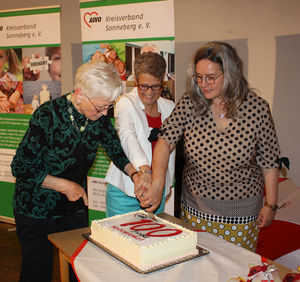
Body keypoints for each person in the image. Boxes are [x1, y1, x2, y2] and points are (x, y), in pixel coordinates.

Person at [138, 41, 281, 252]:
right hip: (196, 211)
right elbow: (165, 140)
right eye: (199, 77)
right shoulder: (190, 102)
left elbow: (269, 162)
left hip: (241, 215)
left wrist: (271, 204)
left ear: (230, 74)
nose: (203, 84)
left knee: (236, 271)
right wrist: (158, 182)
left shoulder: (256, 108)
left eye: (211, 78)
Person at [11, 61, 146, 282]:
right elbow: (20, 166)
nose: (104, 114)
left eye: (108, 107)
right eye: (101, 107)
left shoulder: (97, 116)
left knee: (79, 267)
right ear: (80, 94)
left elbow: (114, 147)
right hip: (36, 206)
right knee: (37, 271)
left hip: (73, 206)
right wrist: (63, 185)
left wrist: (135, 174)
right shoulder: (48, 116)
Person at [105, 52, 175, 217]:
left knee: (152, 240)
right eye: (144, 86)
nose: (149, 92)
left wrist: (166, 183)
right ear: (136, 81)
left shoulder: (170, 107)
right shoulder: (125, 103)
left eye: (156, 86)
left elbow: (170, 152)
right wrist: (145, 172)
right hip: (125, 193)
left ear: (163, 83)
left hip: (156, 191)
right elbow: (128, 137)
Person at [0, 48, 23, 113]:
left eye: (0, 57)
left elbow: (21, 85)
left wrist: (17, 93)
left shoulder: (12, 77)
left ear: (6, 58)